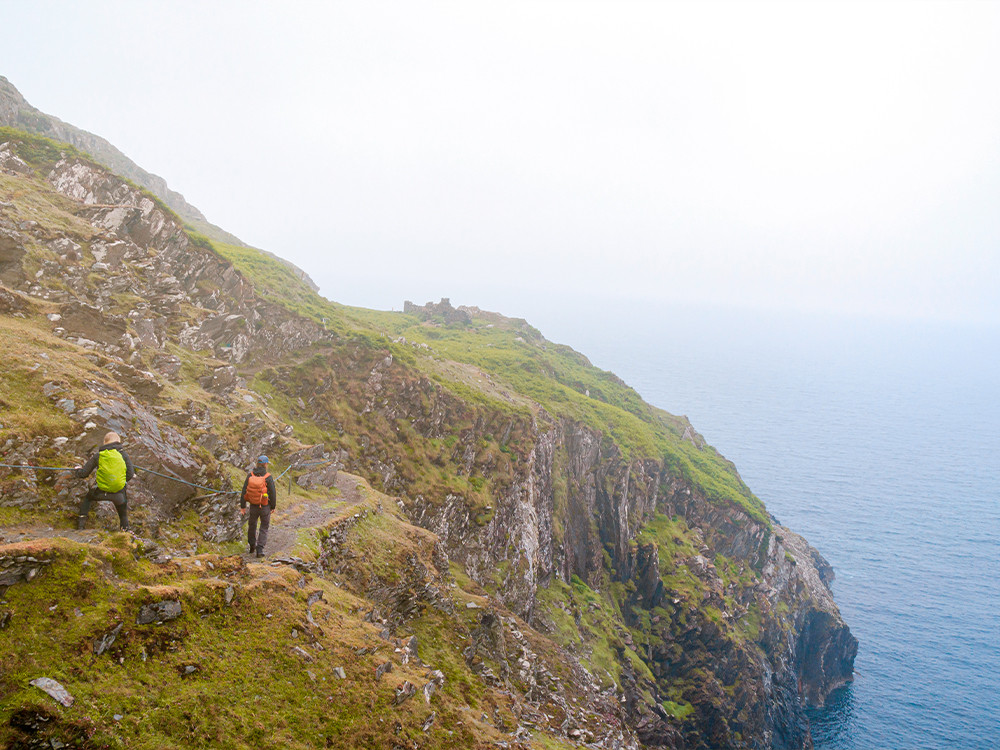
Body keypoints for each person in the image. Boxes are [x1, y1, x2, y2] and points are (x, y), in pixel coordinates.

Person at [74, 431, 135, 531]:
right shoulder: (123, 455)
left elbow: (84, 473)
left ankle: (81, 526)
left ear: (105, 442)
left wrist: (77, 470)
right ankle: (125, 533)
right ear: (118, 442)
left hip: (101, 492)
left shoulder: (99, 455)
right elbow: (130, 473)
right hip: (118, 495)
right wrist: (120, 480)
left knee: (88, 498)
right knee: (123, 513)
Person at [240, 455, 276, 558]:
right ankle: (259, 550)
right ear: (265, 464)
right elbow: (273, 493)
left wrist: (243, 506)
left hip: (253, 506)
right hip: (265, 506)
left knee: (252, 525)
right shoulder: (268, 477)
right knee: (264, 527)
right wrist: (272, 506)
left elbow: (244, 491)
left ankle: (252, 545)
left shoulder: (250, 475)